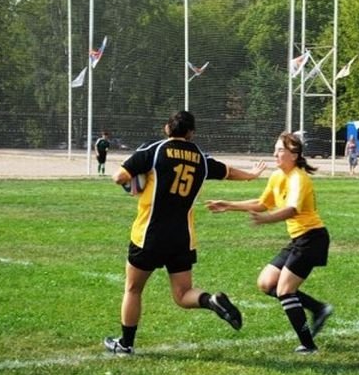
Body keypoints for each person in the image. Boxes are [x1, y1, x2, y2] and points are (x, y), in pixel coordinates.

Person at [103, 111, 266, 355]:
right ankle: (210, 300)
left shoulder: (155, 150)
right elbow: (228, 171)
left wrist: (132, 177)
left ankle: (125, 344)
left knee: (133, 289)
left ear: (167, 128)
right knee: (183, 294)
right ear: (191, 133)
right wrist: (252, 175)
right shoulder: (199, 157)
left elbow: (119, 178)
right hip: (182, 237)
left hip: (149, 234)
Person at [206, 132, 333, 354]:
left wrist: (267, 220)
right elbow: (263, 203)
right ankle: (318, 308)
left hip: (313, 239)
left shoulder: (299, 178)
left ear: (294, 155)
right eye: (275, 149)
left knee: (285, 290)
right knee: (266, 283)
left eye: (280, 150)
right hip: (299, 239)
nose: (275, 154)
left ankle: (308, 345)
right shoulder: (277, 176)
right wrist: (229, 205)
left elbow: (291, 209)